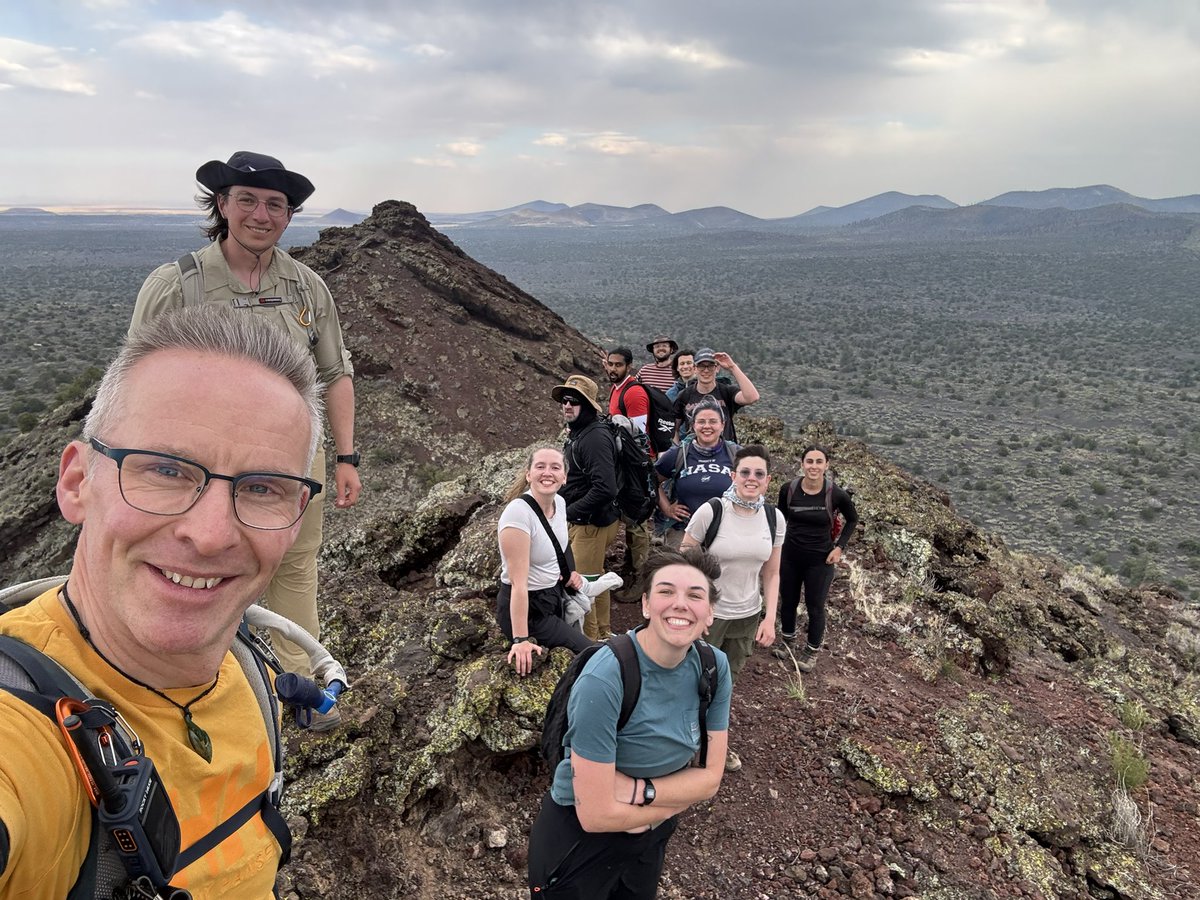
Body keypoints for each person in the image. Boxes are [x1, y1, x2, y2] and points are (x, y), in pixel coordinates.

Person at [0, 307, 321, 898]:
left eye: (262, 488)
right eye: (166, 470)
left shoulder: (246, 668)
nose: (211, 534)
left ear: (297, 518)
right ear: (76, 483)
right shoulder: (22, 729)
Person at [131, 151, 359, 716]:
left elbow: (335, 374)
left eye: (275, 204)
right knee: (196, 564)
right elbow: (136, 378)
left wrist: (346, 457)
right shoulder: (176, 286)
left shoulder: (308, 289)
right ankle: (183, 687)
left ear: (289, 216)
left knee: (293, 565)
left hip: (290, 466)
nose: (262, 214)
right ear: (223, 206)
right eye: (248, 200)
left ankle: (299, 693)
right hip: (196, 468)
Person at [527, 547, 732, 899]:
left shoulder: (714, 667)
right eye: (666, 591)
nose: (680, 604)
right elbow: (595, 815)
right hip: (577, 845)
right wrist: (672, 803)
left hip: (647, 840)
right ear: (646, 605)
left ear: (710, 613)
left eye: (695, 595)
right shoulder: (607, 678)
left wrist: (640, 794)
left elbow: (711, 779)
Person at [681, 445, 783, 772]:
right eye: (745, 472)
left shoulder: (773, 518)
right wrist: (698, 606)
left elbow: (772, 571)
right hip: (708, 616)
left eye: (759, 474)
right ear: (732, 475)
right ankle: (680, 742)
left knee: (726, 682)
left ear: (768, 481)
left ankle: (714, 744)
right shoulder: (712, 512)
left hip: (746, 614)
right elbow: (685, 556)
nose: (751, 479)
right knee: (689, 676)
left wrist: (769, 617)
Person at [496, 447, 594, 676]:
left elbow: (561, 543)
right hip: (528, 610)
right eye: (540, 466)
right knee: (592, 653)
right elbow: (518, 582)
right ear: (528, 474)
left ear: (564, 477)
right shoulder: (518, 515)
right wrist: (520, 639)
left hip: (552, 596)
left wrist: (570, 572)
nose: (547, 473)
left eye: (555, 467)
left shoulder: (559, 503)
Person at [774, 444, 859, 672]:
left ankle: (811, 653)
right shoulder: (788, 489)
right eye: (809, 461)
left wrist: (839, 548)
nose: (813, 466)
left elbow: (852, 519)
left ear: (826, 465)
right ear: (802, 464)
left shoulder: (836, 494)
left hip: (820, 560)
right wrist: (775, 547)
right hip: (790, 556)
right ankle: (788, 643)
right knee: (788, 601)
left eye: (818, 462)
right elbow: (780, 518)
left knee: (815, 606)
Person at [553, 375, 621, 641]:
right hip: (590, 520)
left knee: (582, 584)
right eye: (565, 400)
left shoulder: (593, 438)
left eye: (575, 401)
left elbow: (606, 488)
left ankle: (591, 641)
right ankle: (604, 633)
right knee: (595, 579)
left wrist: (568, 513)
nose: (567, 406)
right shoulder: (582, 431)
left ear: (589, 405)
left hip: (590, 524)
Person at [654, 398, 739, 549]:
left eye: (713, 421)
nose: (707, 426)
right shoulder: (679, 453)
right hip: (684, 530)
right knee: (685, 571)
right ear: (693, 426)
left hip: (726, 531)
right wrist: (667, 508)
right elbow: (652, 479)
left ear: (722, 425)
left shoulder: (736, 454)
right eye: (701, 422)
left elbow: (753, 483)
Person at [605, 347, 653, 597]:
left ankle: (642, 577)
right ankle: (631, 564)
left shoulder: (633, 393)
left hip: (634, 465)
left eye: (618, 365)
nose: (613, 369)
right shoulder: (616, 388)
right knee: (629, 516)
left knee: (637, 520)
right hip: (623, 463)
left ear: (629, 366)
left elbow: (639, 436)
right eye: (610, 364)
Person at [672, 347, 760, 443]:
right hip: (694, 453)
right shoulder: (684, 395)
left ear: (717, 368)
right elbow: (674, 428)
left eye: (710, 366)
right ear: (695, 369)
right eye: (701, 366)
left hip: (725, 452)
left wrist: (732, 367)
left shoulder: (726, 391)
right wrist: (677, 450)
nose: (706, 370)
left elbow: (752, 397)